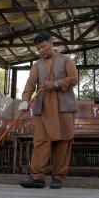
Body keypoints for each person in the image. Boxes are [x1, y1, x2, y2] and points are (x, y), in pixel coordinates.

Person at [18, 30, 78, 189]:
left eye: (44, 47)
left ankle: (58, 177)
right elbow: (30, 83)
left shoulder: (66, 59)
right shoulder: (37, 65)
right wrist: (25, 100)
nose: (42, 51)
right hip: (43, 109)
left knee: (63, 142)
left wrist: (55, 84)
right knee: (40, 142)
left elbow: (74, 78)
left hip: (63, 108)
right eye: (39, 49)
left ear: (52, 43)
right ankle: (37, 177)